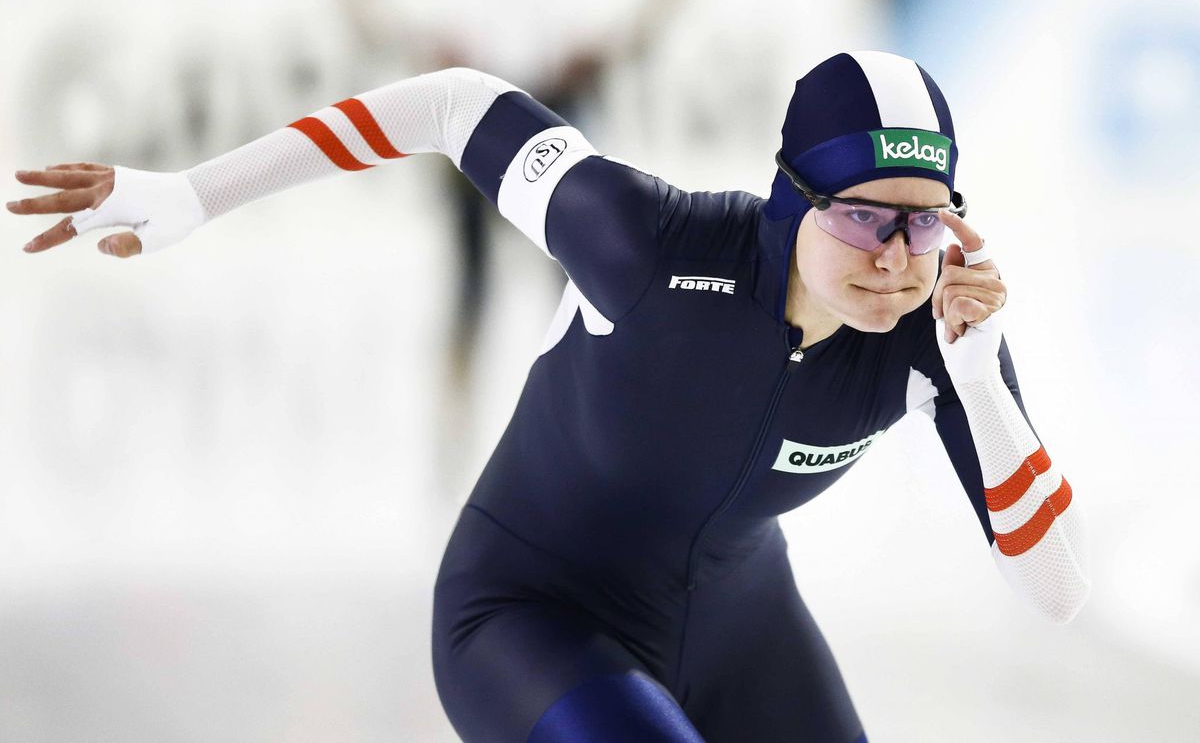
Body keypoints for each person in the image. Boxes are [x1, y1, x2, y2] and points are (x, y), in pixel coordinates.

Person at [7, 50, 1091, 742]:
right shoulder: (647, 243)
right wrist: (199, 191)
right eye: (862, 214)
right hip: (529, 616)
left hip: (740, 624)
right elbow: (452, 104)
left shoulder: (937, 336)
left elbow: (1054, 588)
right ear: (785, 198)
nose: (898, 256)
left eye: (926, 218)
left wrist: (982, 373)